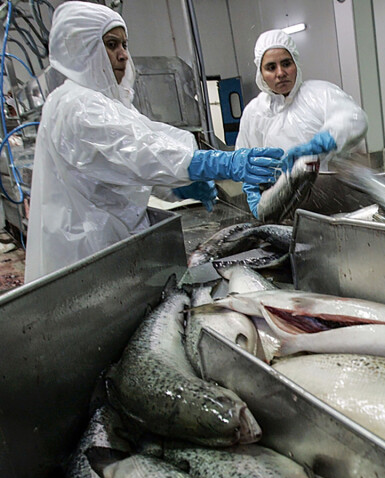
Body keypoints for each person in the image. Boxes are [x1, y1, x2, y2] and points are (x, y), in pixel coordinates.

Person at [24, 2, 286, 283]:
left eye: (124, 44)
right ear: (81, 48)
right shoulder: (75, 105)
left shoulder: (107, 103)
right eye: (111, 45)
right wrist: (217, 163)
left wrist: (178, 184)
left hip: (110, 246)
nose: (123, 55)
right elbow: (140, 153)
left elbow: (143, 145)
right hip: (85, 257)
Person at [236, 29, 367, 219]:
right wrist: (253, 191)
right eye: (271, 67)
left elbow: (353, 118)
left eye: (286, 64)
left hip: (337, 205)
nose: (280, 73)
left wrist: (321, 143)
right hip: (285, 209)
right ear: (261, 73)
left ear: (296, 63)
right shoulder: (254, 113)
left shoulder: (320, 94)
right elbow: (245, 158)